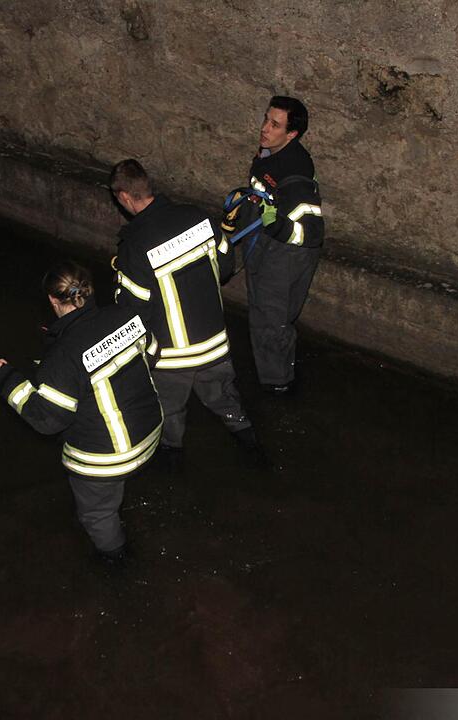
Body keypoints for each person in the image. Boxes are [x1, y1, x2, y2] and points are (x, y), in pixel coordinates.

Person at [0, 261, 162, 565]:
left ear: (53, 300)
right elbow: (153, 353)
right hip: (151, 432)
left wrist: (7, 380)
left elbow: (48, 420)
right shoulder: (126, 314)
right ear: (89, 290)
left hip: (104, 460)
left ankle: (116, 561)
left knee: (97, 514)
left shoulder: (62, 355)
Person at [109, 159, 265, 470]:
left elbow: (132, 312)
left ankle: (173, 470)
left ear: (125, 197)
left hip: (171, 360)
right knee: (226, 402)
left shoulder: (135, 247)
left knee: (168, 416)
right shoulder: (199, 219)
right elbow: (225, 266)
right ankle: (257, 454)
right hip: (214, 345)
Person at [233, 95, 324, 394]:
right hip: (264, 243)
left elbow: (310, 234)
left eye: (275, 125)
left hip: (285, 253)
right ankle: (273, 372)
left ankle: (277, 385)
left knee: (272, 320)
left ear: (292, 134)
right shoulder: (269, 151)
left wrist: (276, 225)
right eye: (265, 119)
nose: (264, 129)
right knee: (262, 312)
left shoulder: (295, 174)